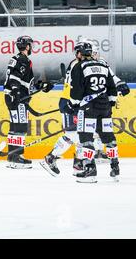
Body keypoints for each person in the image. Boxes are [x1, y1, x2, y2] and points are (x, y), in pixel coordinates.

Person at [67, 41, 119, 183]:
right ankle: (115, 167)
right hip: (105, 107)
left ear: (79, 53)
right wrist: (111, 102)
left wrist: (73, 105)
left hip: (88, 108)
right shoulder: (102, 65)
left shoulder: (78, 66)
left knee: (86, 138)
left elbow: (76, 90)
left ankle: (90, 170)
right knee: (108, 137)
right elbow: (112, 88)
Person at [3, 36, 53, 169]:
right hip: (17, 98)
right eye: (30, 45)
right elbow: (15, 78)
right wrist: (17, 94)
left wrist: (41, 85)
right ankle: (16, 157)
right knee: (20, 127)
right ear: (27, 46)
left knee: (15, 127)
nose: (31, 47)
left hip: (13, 96)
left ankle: (12, 157)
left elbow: (25, 81)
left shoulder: (17, 59)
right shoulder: (23, 60)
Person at [40, 43, 84, 176]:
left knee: (83, 134)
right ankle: (50, 157)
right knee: (73, 135)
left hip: (78, 103)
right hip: (69, 102)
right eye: (83, 52)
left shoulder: (80, 64)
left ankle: (79, 165)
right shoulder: (77, 65)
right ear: (77, 53)